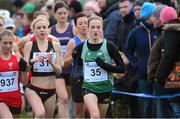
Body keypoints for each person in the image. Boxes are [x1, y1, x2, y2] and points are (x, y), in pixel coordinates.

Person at [72, 15, 125, 118]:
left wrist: (104, 65)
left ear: (102, 29)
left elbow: (121, 68)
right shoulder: (80, 48)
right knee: (95, 115)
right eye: (92, 27)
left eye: (98, 27)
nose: (95, 30)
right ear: (87, 28)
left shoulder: (109, 46)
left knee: (100, 117)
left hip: (105, 88)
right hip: (88, 87)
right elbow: (77, 65)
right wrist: (78, 77)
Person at [23, 17, 62, 118]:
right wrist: (33, 61)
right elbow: (25, 69)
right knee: (40, 114)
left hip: (51, 90)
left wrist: (52, 63)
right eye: (38, 28)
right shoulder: (29, 45)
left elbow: (59, 71)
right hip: (34, 89)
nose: (42, 30)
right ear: (34, 30)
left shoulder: (56, 45)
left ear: (48, 30)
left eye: (44, 27)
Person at [125, 2, 157, 117]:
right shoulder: (135, 32)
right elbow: (127, 50)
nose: (156, 15)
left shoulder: (158, 30)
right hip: (143, 74)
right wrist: (136, 63)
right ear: (149, 15)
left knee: (157, 103)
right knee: (146, 103)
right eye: (154, 13)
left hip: (159, 74)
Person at [147, 4, 173, 118]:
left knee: (163, 114)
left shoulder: (165, 36)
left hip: (162, 82)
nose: (152, 19)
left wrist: (158, 77)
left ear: (161, 19)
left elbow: (165, 58)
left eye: (155, 16)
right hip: (158, 81)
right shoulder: (159, 34)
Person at [154, 6, 180, 118]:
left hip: (176, 79)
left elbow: (168, 56)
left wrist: (159, 76)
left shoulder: (171, 32)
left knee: (176, 111)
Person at [50, 1, 74, 118]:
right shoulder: (50, 31)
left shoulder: (73, 29)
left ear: (68, 13)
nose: (63, 15)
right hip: (57, 70)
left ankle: (55, 109)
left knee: (68, 98)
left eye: (65, 13)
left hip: (71, 69)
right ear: (55, 14)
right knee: (63, 98)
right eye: (60, 13)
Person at [63, 12, 88, 118]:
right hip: (78, 79)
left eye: (85, 23)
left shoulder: (95, 39)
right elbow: (65, 64)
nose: (83, 25)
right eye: (80, 23)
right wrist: (75, 55)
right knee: (80, 112)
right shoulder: (73, 42)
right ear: (76, 26)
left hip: (93, 78)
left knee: (92, 110)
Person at [0, 29, 27, 118]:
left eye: (10, 43)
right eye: (5, 43)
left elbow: (25, 82)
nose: (8, 46)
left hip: (15, 98)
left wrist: (23, 70)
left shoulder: (18, 57)